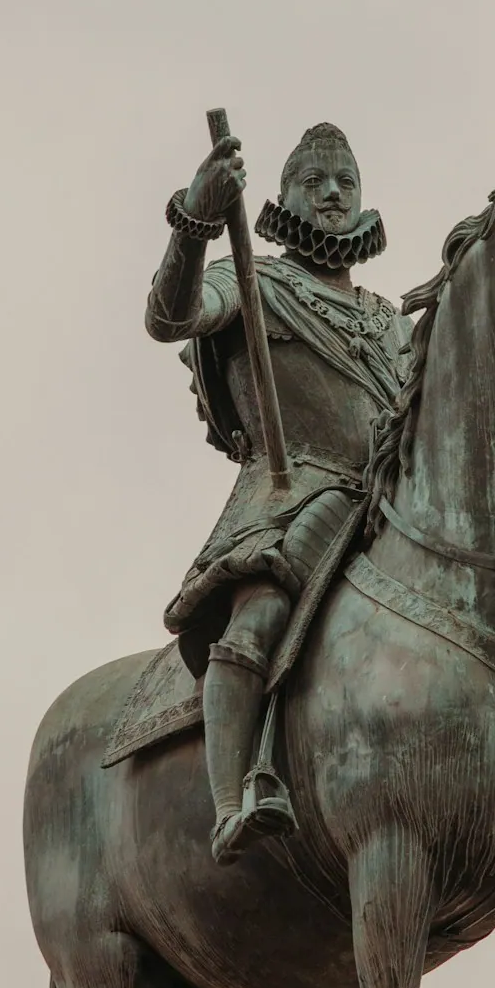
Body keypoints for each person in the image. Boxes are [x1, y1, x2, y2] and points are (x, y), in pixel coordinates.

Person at [146, 122, 412, 864]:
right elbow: (171, 317)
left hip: (396, 507)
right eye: (315, 179)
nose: (333, 192)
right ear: (285, 193)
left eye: (346, 181)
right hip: (296, 496)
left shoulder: (393, 322)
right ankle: (232, 800)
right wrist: (197, 222)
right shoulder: (254, 279)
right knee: (259, 615)